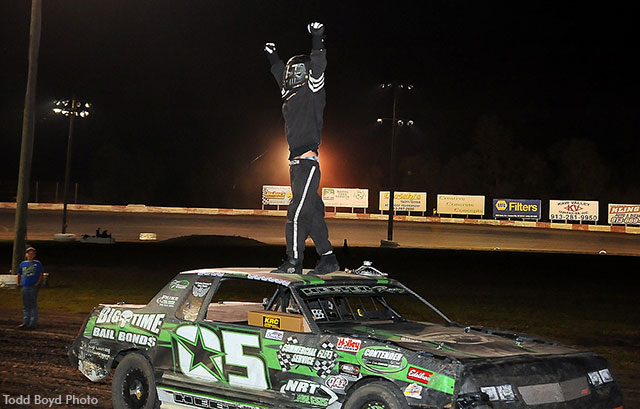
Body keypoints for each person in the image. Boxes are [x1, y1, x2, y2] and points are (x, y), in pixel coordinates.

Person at [265, 22, 339, 275]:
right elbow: (278, 73)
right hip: (296, 165)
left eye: (297, 71)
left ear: (306, 73)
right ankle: (328, 258)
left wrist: (317, 37)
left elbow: (319, 64)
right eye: (291, 71)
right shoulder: (289, 93)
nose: (291, 74)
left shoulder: (312, 91)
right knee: (312, 214)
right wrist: (273, 55)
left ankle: (293, 261)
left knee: (296, 212)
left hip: (308, 162)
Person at [17, 246, 44, 330]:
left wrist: (37, 283)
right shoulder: (23, 264)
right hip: (25, 286)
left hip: (33, 287)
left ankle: (32, 323)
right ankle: (26, 322)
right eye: (29, 253)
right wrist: (18, 283)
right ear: (26, 254)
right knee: (26, 305)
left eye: (32, 253)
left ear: (34, 255)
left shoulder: (37, 264)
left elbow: (41, 274)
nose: (30, 255)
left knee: (32, 305)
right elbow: (19, 274)